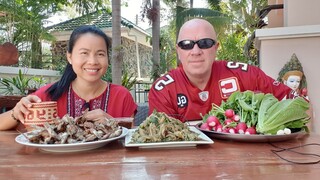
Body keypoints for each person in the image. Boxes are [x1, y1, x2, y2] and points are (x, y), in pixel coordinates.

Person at [148, 18, 296, 123]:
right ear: (178, 51)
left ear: (216, 47)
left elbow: (297, 103)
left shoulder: (246, 75)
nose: (196, 51)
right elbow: (161, 140)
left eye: (204, 43)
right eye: (186, 44)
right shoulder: (163, 90)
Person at [0, 25, 137, 131]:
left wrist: (112, 123)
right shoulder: (49, 95)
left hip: (109, 166)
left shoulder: (121, 96)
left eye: (100, 54)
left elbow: (133, 137)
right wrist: (15, 113)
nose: (93, 61)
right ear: (70, 57)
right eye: (84, 53)